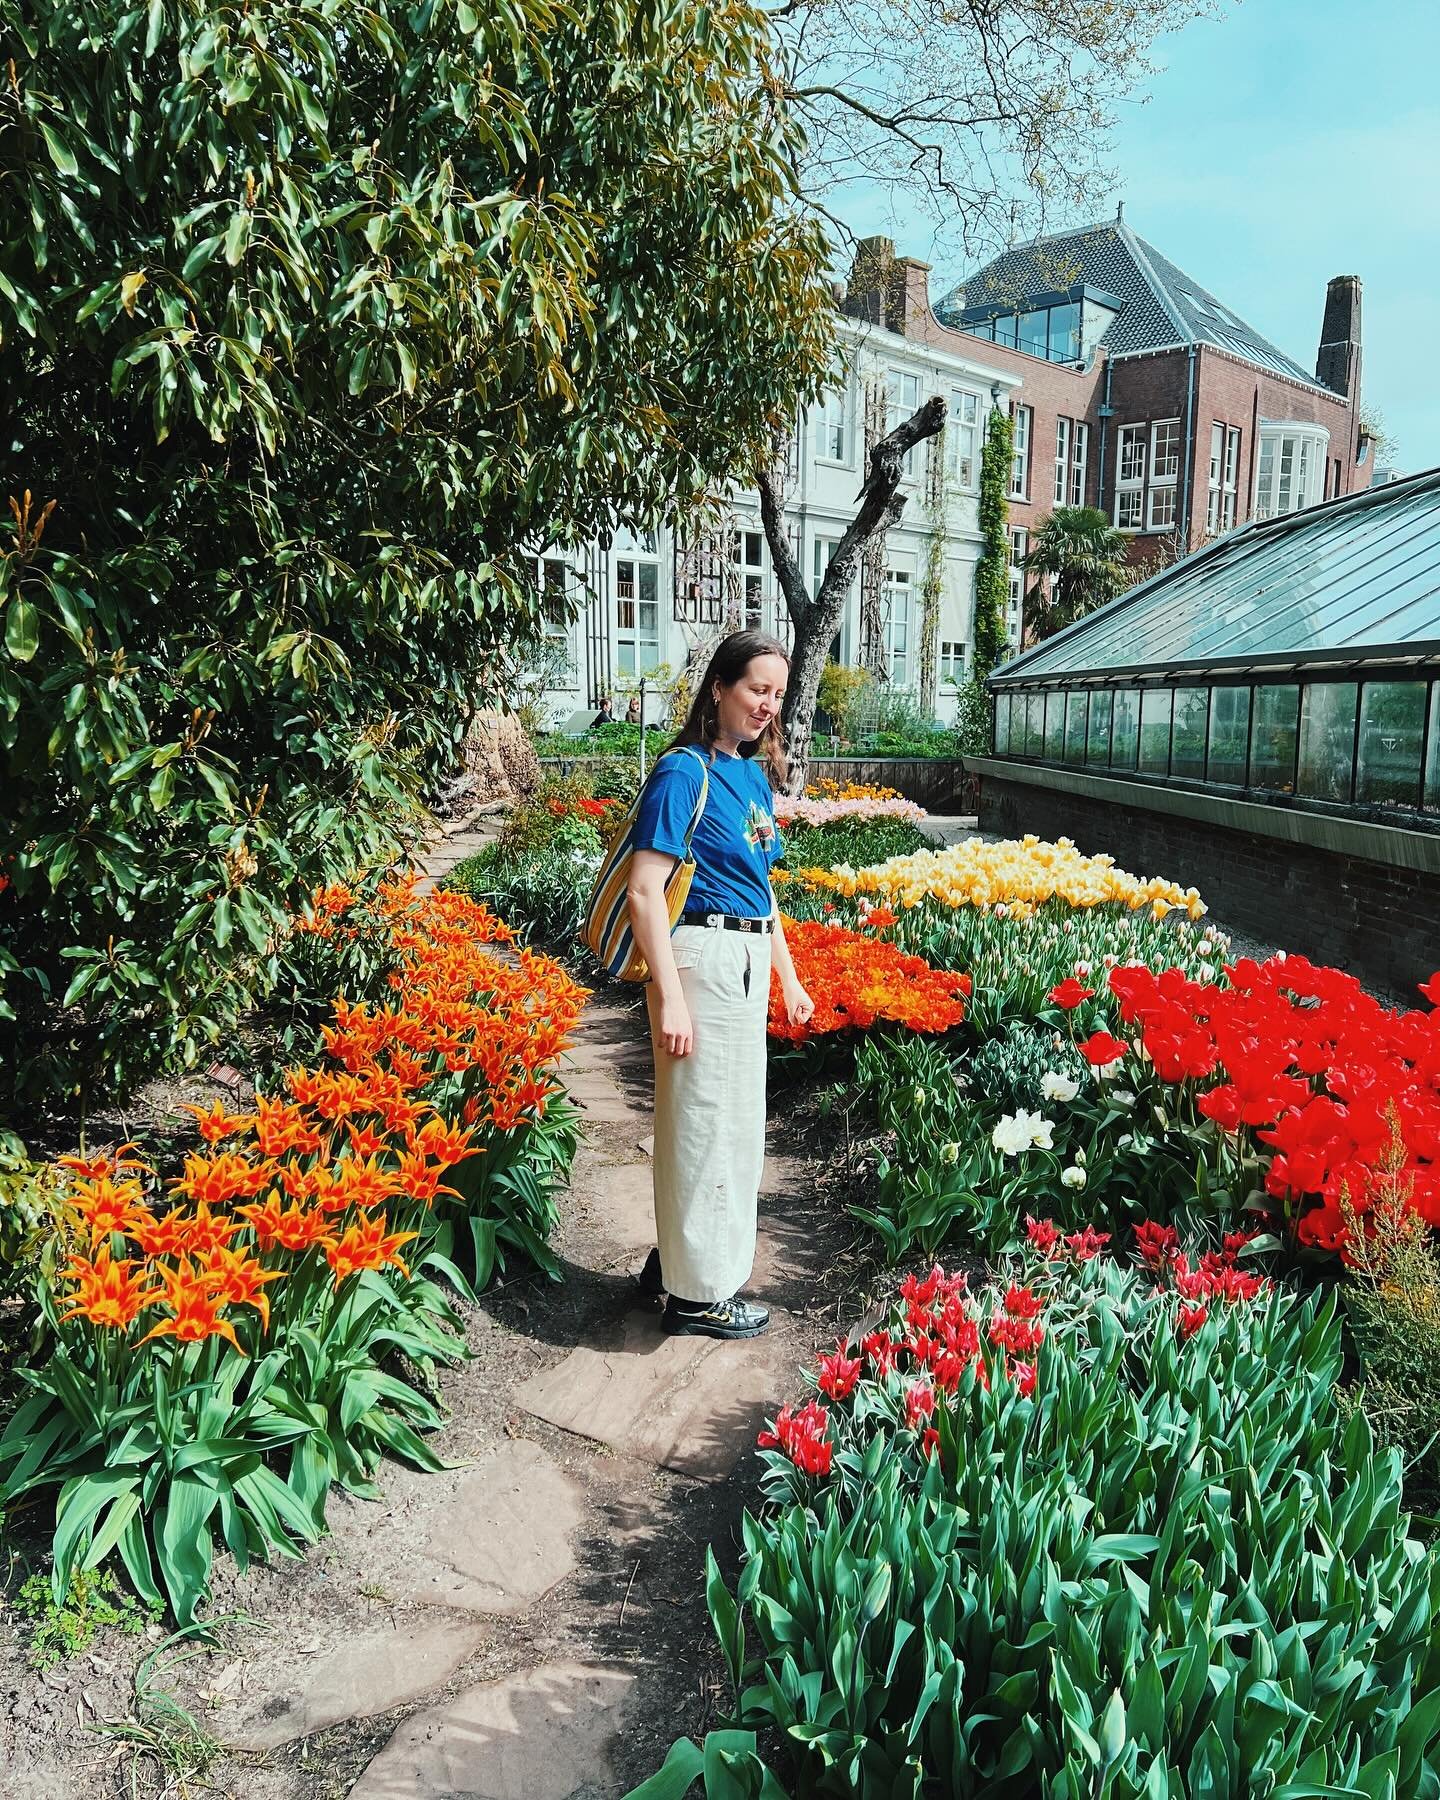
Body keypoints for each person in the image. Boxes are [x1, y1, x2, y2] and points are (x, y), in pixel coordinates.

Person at [626, 631, 814, 1339]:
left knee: (728, 1126)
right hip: (700, 960)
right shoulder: (682, 772)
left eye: (776, 693)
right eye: (756, 689)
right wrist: (671, 996)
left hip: (744, 956)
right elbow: (646, 892)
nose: (767, 704)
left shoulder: (750, 776)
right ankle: (697, 1297)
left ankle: (677, 1263)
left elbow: (762, 894)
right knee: (704, 1122)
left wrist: (789, 980)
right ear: (718, 689)